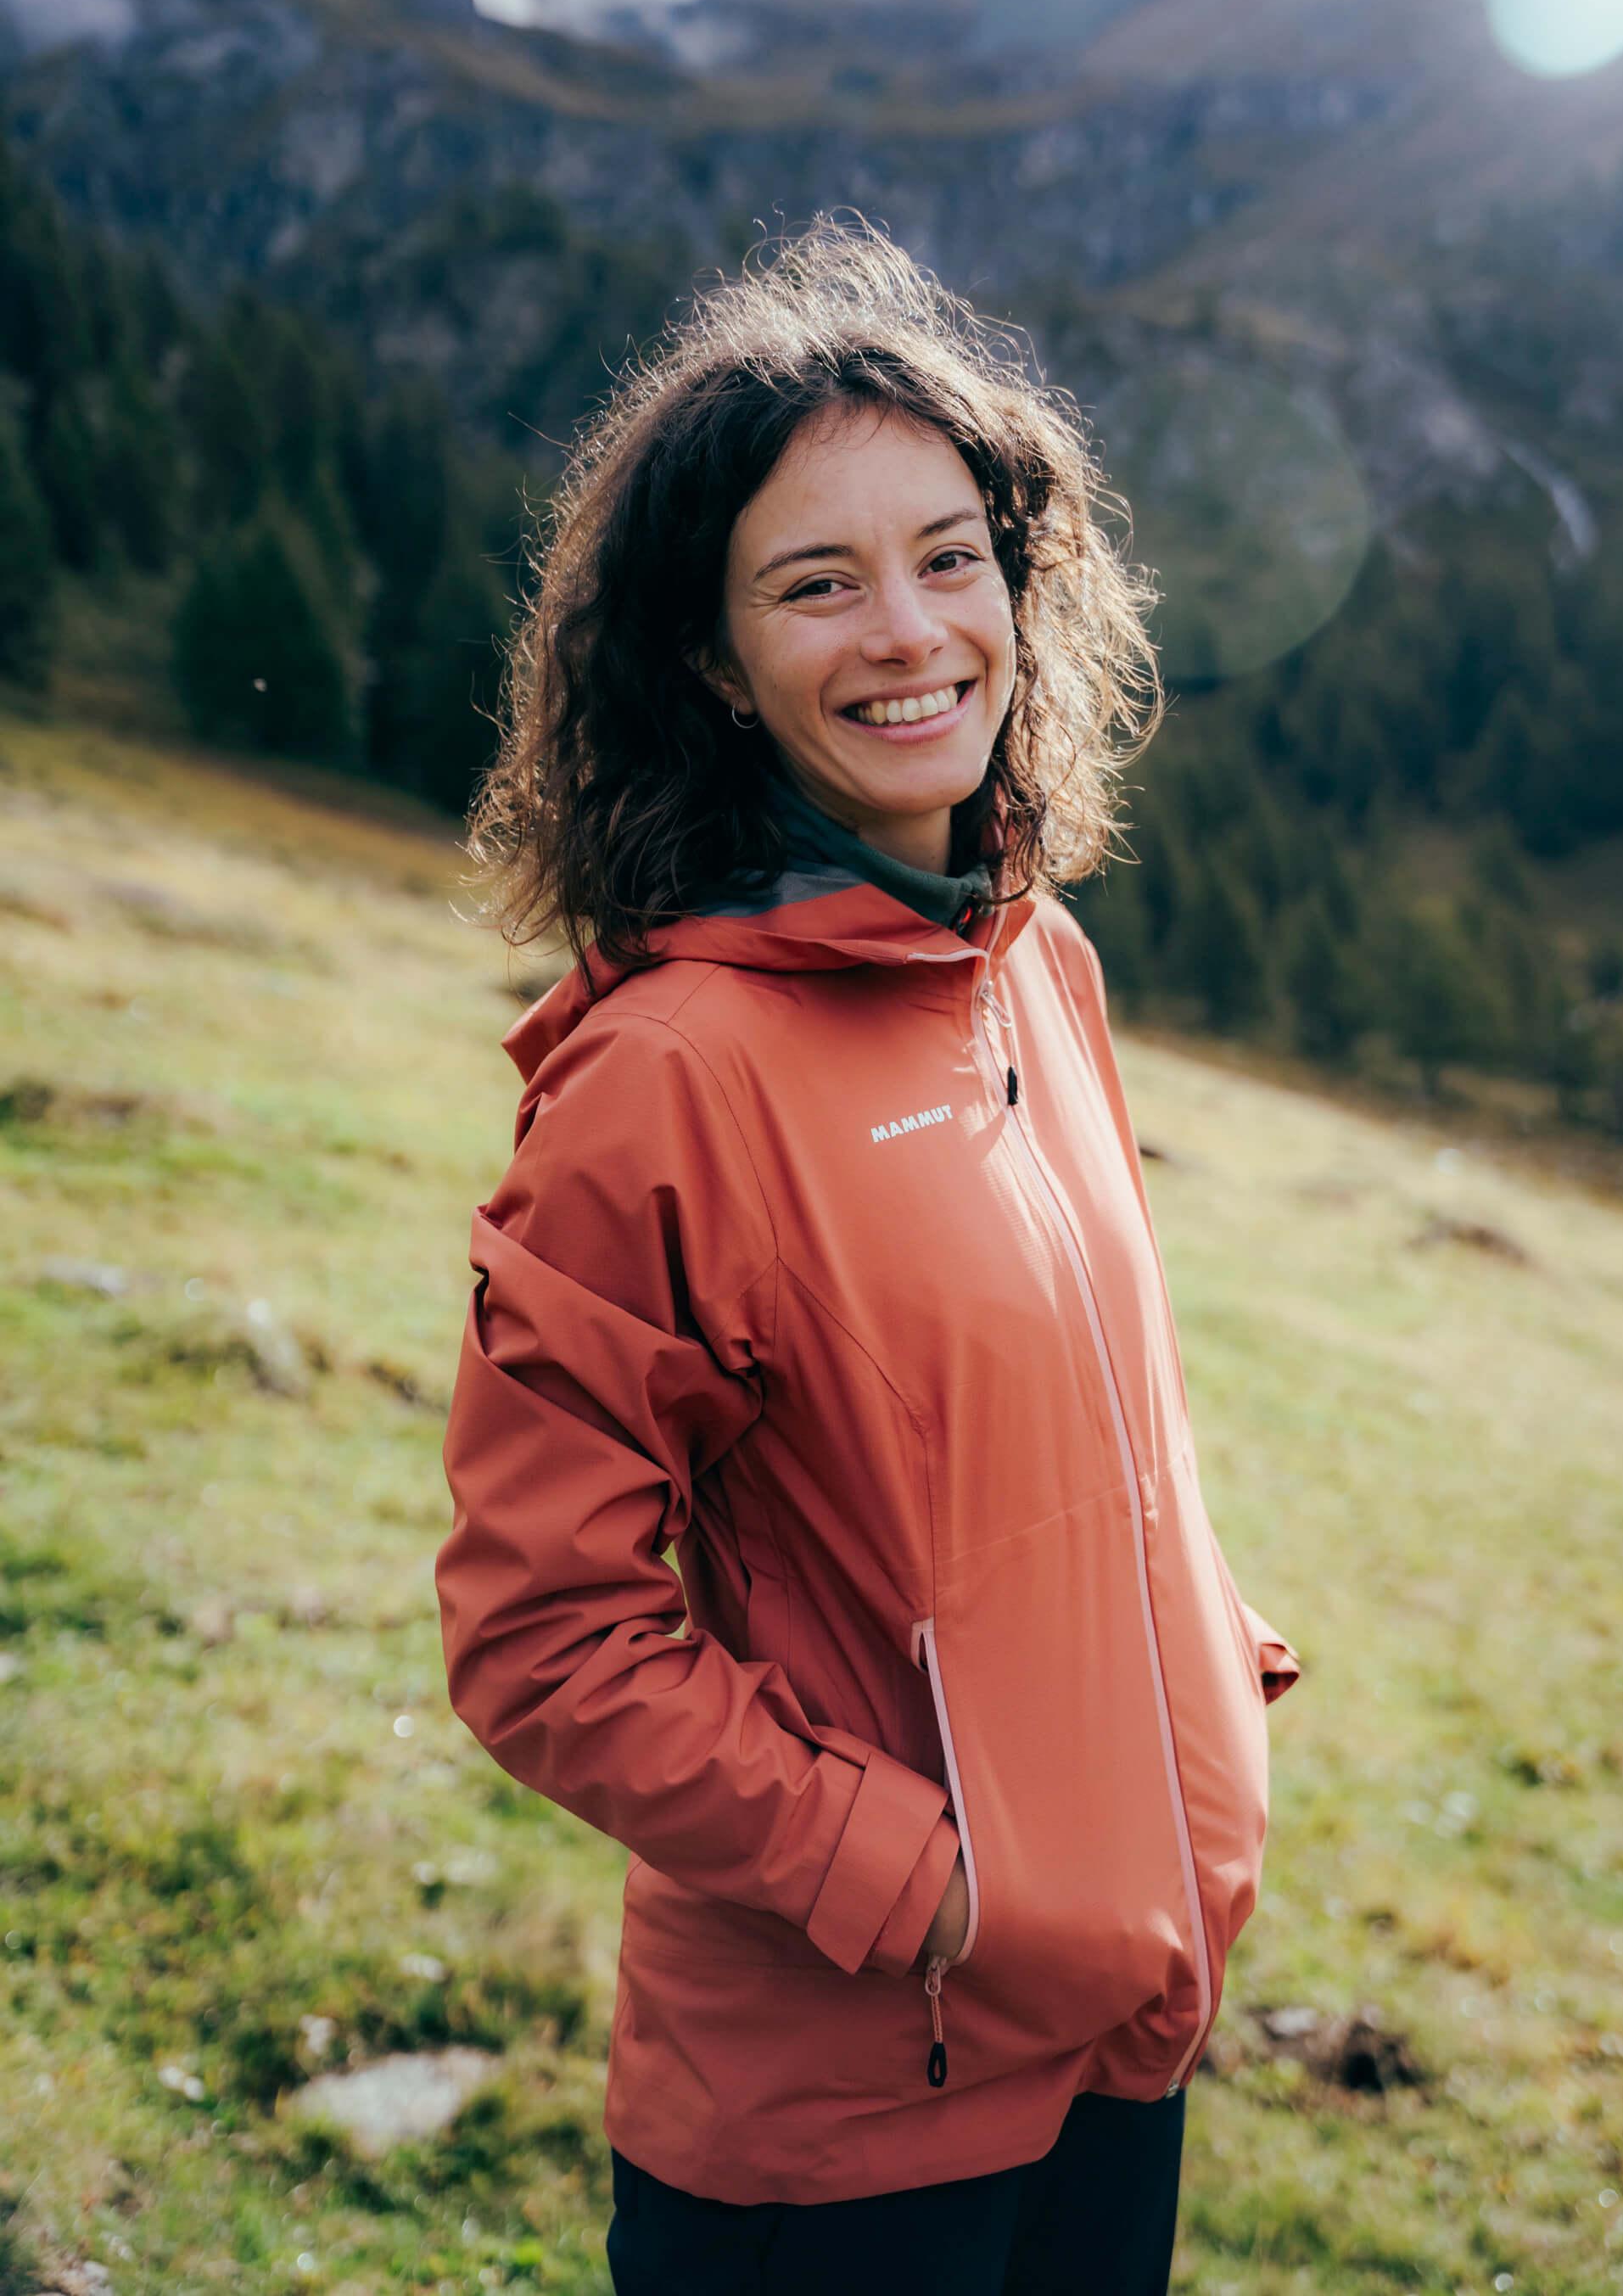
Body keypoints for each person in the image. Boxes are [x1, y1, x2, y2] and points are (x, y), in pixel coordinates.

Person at [434, 213, 1301, 2295]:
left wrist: (1208, 1674)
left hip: (1120, 2032)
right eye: (814, 583)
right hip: (846, 2123)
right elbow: (539, 1639)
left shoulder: (1032, 965)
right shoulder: (668, 1077)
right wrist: (929, 1885)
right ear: (713, 662)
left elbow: (1076, 1420)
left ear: (1023, 583)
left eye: (946, 556)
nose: (909, 630)